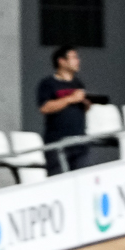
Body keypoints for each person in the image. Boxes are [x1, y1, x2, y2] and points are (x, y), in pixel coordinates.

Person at [37, 46, 92, 174]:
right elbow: (45, 107)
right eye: (74, 57)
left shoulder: (78, 84)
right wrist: (70, 99)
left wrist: (86, 104)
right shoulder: (48, 83)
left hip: (79, 142)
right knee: (58, 181)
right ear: (61, 61)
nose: (78, 61)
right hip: (57, 142)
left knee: (82, 179)